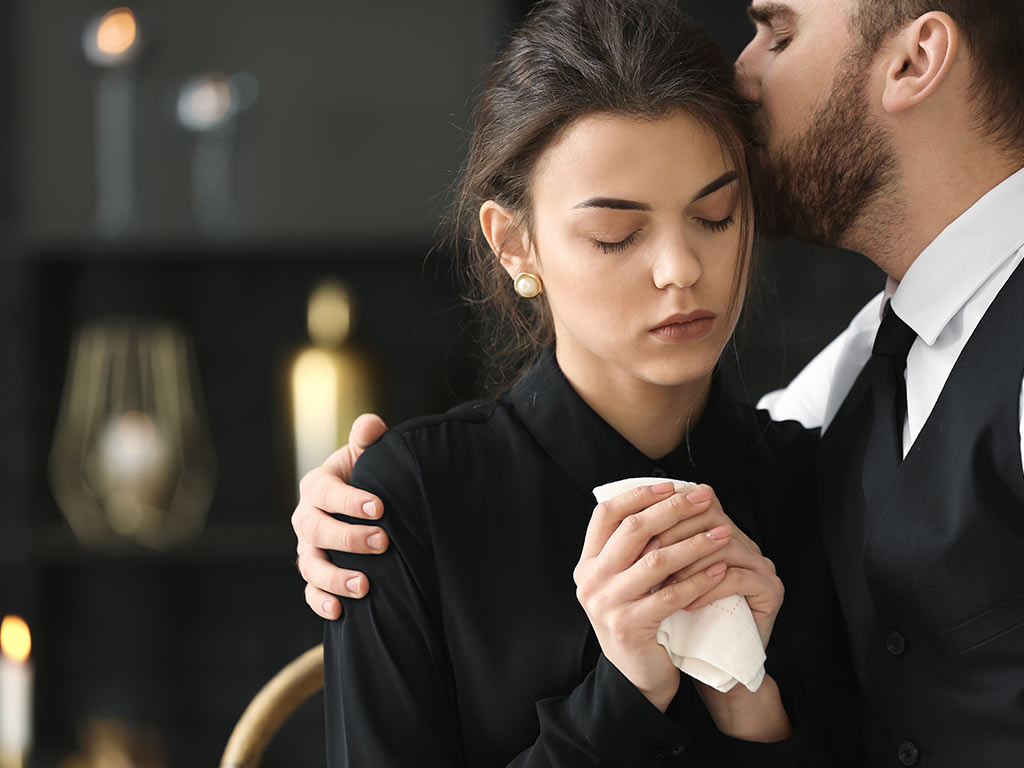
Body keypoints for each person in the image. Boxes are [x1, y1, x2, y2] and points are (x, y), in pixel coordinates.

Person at [299, 0, 1024, 764]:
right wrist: (622, 696)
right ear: (515, 246)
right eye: (616, 234)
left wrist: (753, 706)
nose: (682, 271)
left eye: (716, 215)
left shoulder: (812, 479)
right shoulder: (403, 507)